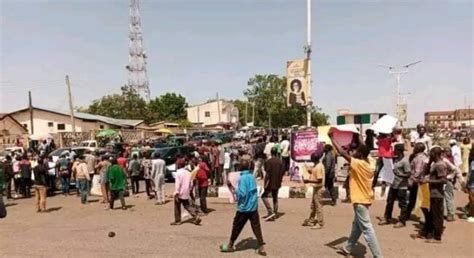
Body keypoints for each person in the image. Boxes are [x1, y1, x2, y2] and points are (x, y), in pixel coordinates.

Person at [329, 132, 382, 258]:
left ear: (361, 155)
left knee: (367, 229)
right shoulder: (371, 163)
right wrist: (358, 136)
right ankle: (347, 248)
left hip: (359, 201)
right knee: (357, 227)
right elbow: (365, 148)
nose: (354, 153)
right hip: (365, 198)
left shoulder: (359, 164)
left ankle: (378, 255)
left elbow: (342, 152)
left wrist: (332, 138)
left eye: (357, 152)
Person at [220, 159, 267, 256]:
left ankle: (230, 245)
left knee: (236, 226)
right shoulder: (251, 177)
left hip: (244, 207)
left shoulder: (242, 178)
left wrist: (233, 188)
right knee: (256, 227)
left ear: (241, 167)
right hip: (253, 206)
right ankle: (261, 246)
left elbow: (242, 194)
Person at [379, 143, 411, 228]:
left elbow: (408, 174)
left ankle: (402, 221)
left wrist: (399, 175)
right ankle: (387, 218)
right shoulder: (396, 160)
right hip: (393, 184)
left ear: (399, 151)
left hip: (401, 186)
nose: (394, 151)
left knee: (402, 204)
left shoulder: (405, 161)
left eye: (395, 150)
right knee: (389, 202)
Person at [423, 146, 448, 243]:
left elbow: (443, 180)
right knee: (433, 214)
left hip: (437, 194)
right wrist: (429, 162)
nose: (430, 155)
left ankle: (437, 237)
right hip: (433, 193)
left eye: (431, 153)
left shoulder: (440, 165)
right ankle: (432, 232)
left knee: (437, 215)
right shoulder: (435, 164)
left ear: (435, 154)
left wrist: (429, 180)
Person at [171, 159, 201, 226]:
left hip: (180, 192)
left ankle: (177, 220)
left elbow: (177, 184)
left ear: (178, 165)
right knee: (187, 206)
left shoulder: (178, 173)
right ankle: (195, 216)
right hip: (186, 192)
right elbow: (191, 183)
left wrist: (176, 192)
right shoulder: (188, 173)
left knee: (177, 206)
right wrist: (189, 190)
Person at [302, 151, 325, 229]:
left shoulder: (318, 167)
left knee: (318, 206)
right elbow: (313, 172)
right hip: (316, 188)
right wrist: (308, 170)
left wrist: (308, 181)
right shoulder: (317, 165)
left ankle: (320, 223)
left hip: (318, 188)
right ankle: (311, 220)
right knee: (313, 205)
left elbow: (319, 180)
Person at [406, 142, 428, 220]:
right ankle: (406, 214)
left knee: (417, 200)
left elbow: (417, 172)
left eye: (415, 147)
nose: (413, 149)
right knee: (414, 200)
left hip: (417, 182)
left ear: (418, 149)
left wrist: (411, 181)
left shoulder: (418, 158)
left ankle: (428, 218)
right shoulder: (425, 157)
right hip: (422, 181)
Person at [262, 147, 285, 221]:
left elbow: (267, 174)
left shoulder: (268, 162)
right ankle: (275, 212)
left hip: (270, 182)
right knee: (275, 198)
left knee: (264, 196)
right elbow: (282, 173)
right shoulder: (280, 162)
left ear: (271, 153)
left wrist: (265, 183)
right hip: (277, 182)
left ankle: (270, 210)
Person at [442, 147, 464, 222]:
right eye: (446, 151)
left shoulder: (449, 160)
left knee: (448, 198)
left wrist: (450, 177)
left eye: (449, 151)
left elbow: (456, 170)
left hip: (448, 181)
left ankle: (450, 214)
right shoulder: (444, 160)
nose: (448, 152)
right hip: (441, 181)